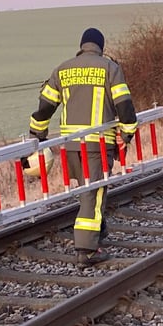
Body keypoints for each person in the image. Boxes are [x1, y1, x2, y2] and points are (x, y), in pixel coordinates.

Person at [29, 27, 137, 267]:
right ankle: (86, 250)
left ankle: (98, 230)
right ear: (101, 47)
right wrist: (127, 133)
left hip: (70, 146)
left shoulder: (63, 69)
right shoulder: (109, 68)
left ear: (82, 46)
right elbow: (124, 105)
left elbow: (45, 105)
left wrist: (38, 133)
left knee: (86, 192)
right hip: (97, 144)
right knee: (93, 193)